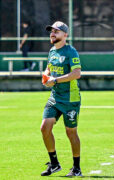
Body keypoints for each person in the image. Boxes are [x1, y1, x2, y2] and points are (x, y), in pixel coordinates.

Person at [40, 21, 82, 177]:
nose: (52, 33)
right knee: (44, 128)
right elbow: (49, 68)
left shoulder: (71, 52)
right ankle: (54, 164)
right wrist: (45, 76)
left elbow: (77, 73)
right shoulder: (52, 51)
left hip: (70, 98)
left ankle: (76, 168)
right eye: (51, 31)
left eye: (56, 31)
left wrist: (55, 80)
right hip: (55, 96)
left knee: (71, 133)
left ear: (65, 35)